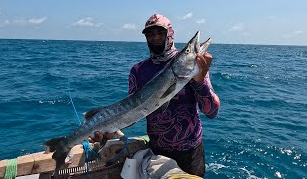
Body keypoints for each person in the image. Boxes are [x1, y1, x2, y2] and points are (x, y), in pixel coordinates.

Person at [86, 14, 220, 177]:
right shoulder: (138, 71)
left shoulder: (197, 67)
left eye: (160, 33)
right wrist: (105, 129)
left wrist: (200, 82)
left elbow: (212, 112)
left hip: (191, 152)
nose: (155, 37)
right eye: (150, 34)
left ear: (170, 34)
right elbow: (132, 113)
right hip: (157, 153)